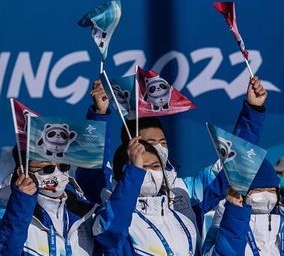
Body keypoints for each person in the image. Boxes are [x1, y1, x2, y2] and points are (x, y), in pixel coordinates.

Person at [78, 76, 268, 205]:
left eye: (163, 142)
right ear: (131, 147)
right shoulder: (112, 190)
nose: (159, 148)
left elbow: (235, 163)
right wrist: (99, 114)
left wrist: (253, 111)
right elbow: (90, 172)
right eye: (151, 143)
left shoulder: (186, 192)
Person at [94, 139, 204, 256]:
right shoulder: (118, 219)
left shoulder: (183, 221)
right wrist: (133, 175)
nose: (150, 173)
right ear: (125, 172)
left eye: (155, 166)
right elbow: (110, 230)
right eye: (142, 167)